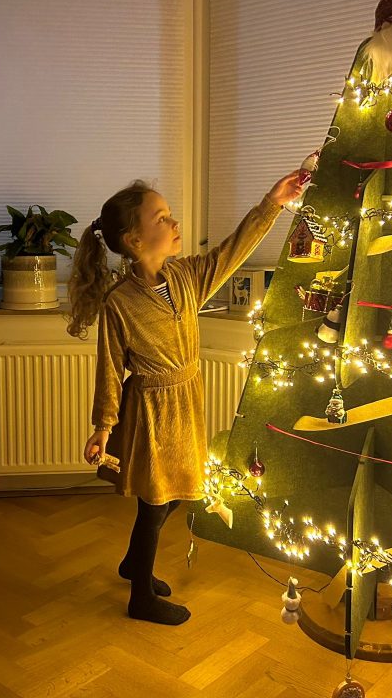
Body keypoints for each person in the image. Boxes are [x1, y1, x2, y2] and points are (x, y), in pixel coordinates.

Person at [66, 170, 304, 625]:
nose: (175, 223)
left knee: (176, 494)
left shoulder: (187, 276)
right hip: (151, 411)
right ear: (134, 239)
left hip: (188, 400)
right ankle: (140, 594)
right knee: (155, 501)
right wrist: (102, 427)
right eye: (163, 217)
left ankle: (134, 563)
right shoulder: (120, 303)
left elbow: (233, 250)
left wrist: (272, 203)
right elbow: (111, 370)